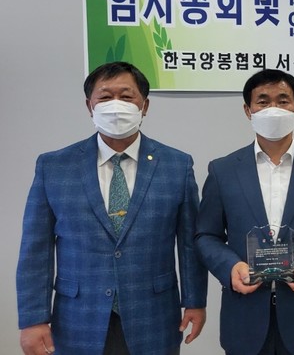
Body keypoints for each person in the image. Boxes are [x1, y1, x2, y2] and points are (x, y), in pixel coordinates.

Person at [16, 61, 208, 355]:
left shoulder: (176, 165)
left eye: (126, 96)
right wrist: (33, 319)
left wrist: (194, 301)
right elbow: (36, 249)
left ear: (144, 105)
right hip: (78, 317)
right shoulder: (54, 166)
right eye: (105, 97)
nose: (116, 105)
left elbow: (189, 244)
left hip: (153, 315)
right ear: (89, 106)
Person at [195, 70, 294, 355]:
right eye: (263, 101)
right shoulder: (223, 170)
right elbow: (206, 235)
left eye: (283, 101)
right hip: (244, 318)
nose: (273, 109)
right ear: (248, 110)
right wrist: (230, 268)